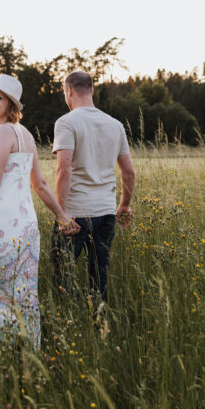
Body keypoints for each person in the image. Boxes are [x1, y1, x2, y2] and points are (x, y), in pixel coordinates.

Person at [0, 74, 78, 348]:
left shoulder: (4, 132)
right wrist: (61, 216)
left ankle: (2, 350)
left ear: (11, 103)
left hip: (0, 223)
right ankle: (27, 348)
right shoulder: (25, 134)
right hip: (24, 224)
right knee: (20, 290)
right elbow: (41, 184)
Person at [51, 70, 136, 307]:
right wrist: (125, 205)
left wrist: (62, 213)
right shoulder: (115, 125)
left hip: (75, 215)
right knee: (99, 278)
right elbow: (128, 171)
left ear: (68, 91)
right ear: (92, 90)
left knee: (62, 278)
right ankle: (99, 328)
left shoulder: (66, 122)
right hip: (107, 213)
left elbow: (63, 169)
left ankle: (66, 327)